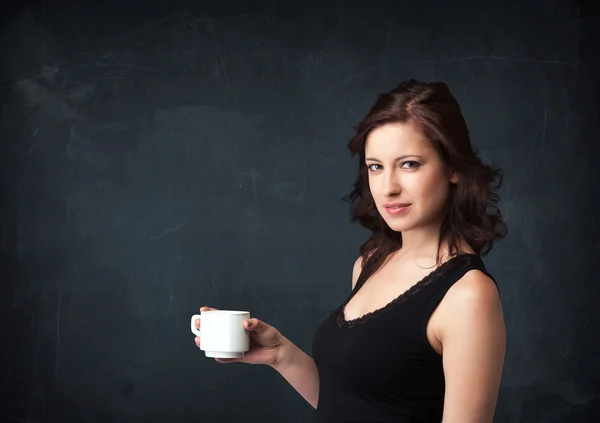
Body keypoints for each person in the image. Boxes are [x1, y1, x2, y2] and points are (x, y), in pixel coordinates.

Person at [194, 79, 508, 423]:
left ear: (453, 169)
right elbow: (353, 405)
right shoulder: (370, 263)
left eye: (409, 164)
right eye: (376, 166)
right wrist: (280, 354)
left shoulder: (468, 295)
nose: (388, 187)